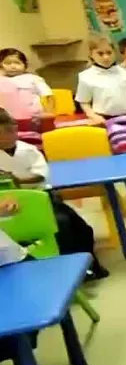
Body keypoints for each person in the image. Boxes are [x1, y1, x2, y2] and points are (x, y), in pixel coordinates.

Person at [0, 109, 109, 280]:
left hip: (41, 200)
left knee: (80, 228)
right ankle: (65, 272)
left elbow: (40, 174)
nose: (5, 137)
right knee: (60, 226)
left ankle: (87, 266)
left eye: (8, 131)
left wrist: (18, 180)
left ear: (15, 128)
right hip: (8, 211)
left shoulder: (28, 150)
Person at [75, 34, 126, 125]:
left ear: (115, 52)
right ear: (91, 55)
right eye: (100, 53)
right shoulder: (85, 77)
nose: (106, 57)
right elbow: (84, 102)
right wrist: (93, 115)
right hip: (104, 119)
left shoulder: (124, 73)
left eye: (109, 52)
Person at [0, 47, 54, 117]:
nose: (13, 66)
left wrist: (49, 112)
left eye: (17, 63)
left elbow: (48, 95)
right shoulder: (2, 80)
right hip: (6, 119)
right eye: (7, 63)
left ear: (25, 64)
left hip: (34, 116)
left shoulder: (33, 79)